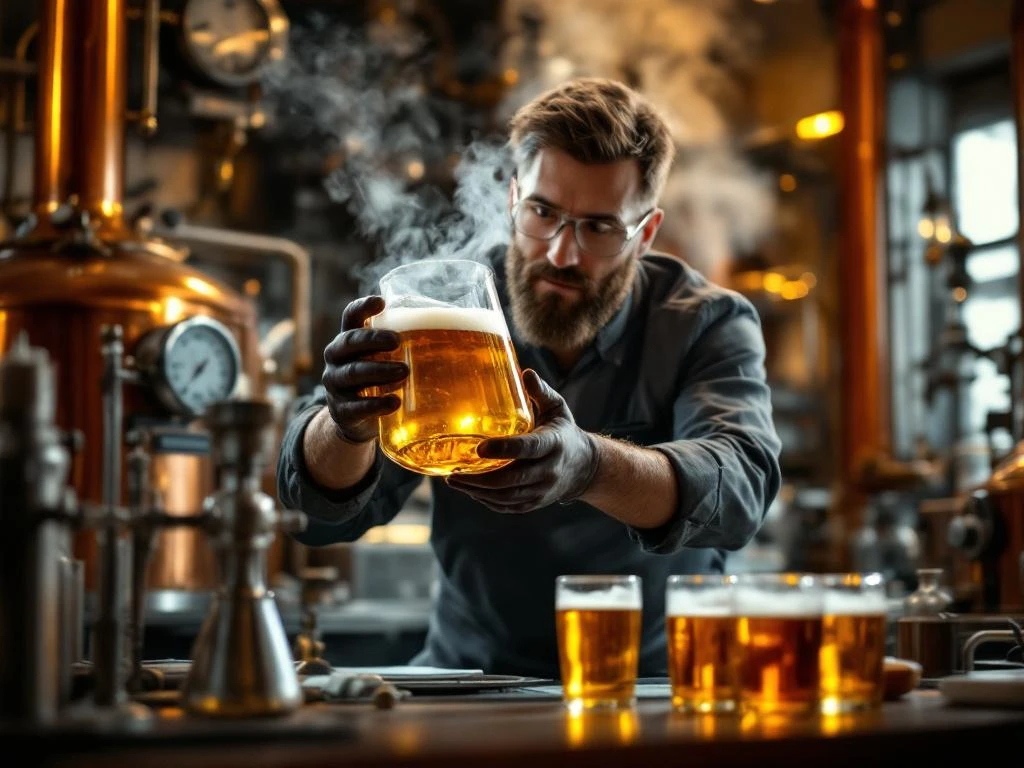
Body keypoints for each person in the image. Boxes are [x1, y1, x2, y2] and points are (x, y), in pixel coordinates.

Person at [277, 77, 782, 679]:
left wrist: (588, 466)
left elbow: (741, 488)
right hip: (473, 685)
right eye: (543, 213)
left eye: (599, 228)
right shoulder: (450, 310)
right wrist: (345, 424)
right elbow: (316, 514)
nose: (562, 255)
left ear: (645, 234)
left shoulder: (705, 321)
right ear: (515, 198)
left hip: (654, 690)